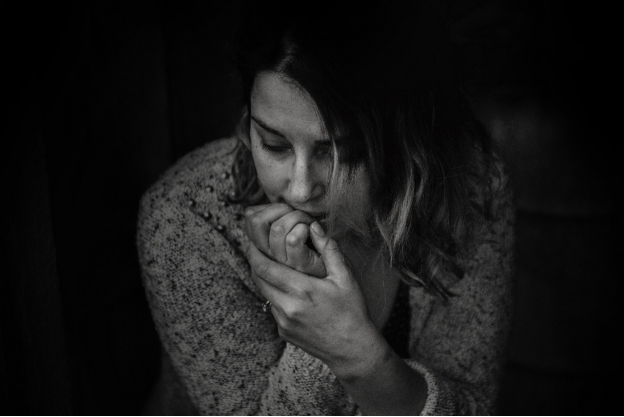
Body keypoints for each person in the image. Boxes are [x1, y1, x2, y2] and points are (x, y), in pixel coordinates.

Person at [137, 1, 514, 415]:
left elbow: (474, 406)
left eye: (344, 153)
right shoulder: (187, 217)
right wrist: (317, 344)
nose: (300, 189)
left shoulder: (467, 186)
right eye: (274, 144)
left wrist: (356, 354)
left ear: (409, 142)